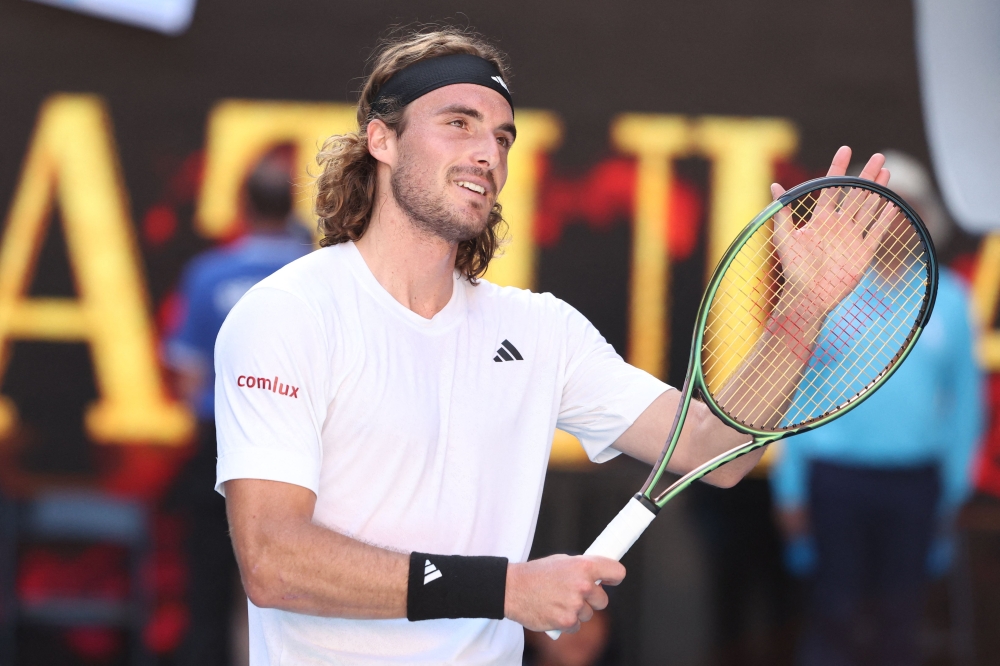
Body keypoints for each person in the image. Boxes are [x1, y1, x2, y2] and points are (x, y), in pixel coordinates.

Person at [214, 26, 895, 665]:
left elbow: (711, 453)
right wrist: (506, 590)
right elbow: (275, 562)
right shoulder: (288, 314)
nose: (488, 152)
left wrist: (805, 307)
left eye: (503, 137)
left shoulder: (540, 331)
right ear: (381, 140)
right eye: (458, 123)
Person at [770, 152, 985, 666]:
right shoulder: (826, 290)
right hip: (834, 482)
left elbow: (965, 404)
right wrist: (791, 486)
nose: (894, 219)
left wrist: (952, 490)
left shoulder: (950, 299)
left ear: (926, 218)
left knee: (900, 627)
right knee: (832, 619)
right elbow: (793, 390)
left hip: (915, 486)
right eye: (884, 206)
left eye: (906, 208)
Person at [163, 153, 310, 666]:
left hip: (221, 441)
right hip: (300, 449)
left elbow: (186, 370)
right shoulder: (314, 270)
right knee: (299, 590)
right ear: (290, 204)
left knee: (208, 586)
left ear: (242, 206)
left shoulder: (209, 274)